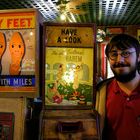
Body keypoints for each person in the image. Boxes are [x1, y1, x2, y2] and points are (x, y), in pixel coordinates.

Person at [95, 34, 140, 140]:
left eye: (126, 53)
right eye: (114, 55)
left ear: (138, 56)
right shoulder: (101, 92)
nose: (119, 60)